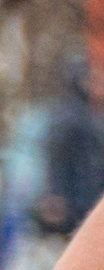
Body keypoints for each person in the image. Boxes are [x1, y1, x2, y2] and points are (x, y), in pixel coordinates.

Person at [41, 62, 104, 236]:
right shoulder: (69, 115)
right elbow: (57, 158)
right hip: (75, 199)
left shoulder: (88, 113)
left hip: (87, 195)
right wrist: (56, 194)